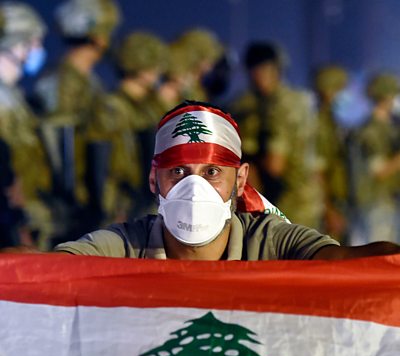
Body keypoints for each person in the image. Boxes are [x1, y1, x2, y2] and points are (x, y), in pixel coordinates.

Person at [54, 100, 400, 260]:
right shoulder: (125, 245)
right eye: (177, 171)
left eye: (212, 172)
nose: (195, 189)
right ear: (153, 180)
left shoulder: (270, 242)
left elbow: (350, 262)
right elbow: (48, 269)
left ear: (241, 179)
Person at [33, 0, 121, 242]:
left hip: (89, 203)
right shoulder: (61, 83)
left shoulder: (88, 83)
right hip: (68, 211)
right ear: (96, 36)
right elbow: (58, 152)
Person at [229, 41, 323, 229]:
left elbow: (275, 165)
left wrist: (248, 159)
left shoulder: (279, 106)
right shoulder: (300, 101)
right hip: (307, 198)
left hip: (286, 202)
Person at [89, 31, 168, 222]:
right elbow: (106, 167)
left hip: (145, 202)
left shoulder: (148, 107)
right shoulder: (112, 108)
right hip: (122, 208)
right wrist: (110, 209)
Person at [0, 1, 53, 250]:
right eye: (34, 42)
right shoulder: (4, 100)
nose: (38, 49)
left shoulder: (15, 97)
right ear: (16, 43)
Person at [352, 73, 400, 243]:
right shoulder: (369, 131)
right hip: (378, 204)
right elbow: (379, 171)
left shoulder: (391, 126)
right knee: (382, 253)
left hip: (390, 201)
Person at [313, 65, 350, 242]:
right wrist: (328, 210)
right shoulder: (320, 125)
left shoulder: (331, 122)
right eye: (340, 89)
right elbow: (317, 171)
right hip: (326, 207)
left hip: (336, 201)